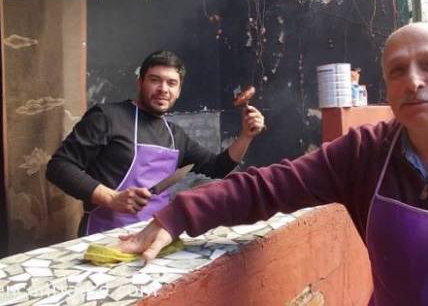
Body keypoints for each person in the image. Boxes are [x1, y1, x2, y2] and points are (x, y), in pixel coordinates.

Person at [119, 23, 428, 305]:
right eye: (398, 70)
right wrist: (179, 214)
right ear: (386, 83)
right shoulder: (365, 153)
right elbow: (273, 184)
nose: (413, 81)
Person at [46, 50, 265, 236]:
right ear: (140, 82)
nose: (163, 89)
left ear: (178, 91)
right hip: (105, 234)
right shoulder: (106, 117)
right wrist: (112, 198)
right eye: (155, 80)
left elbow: (218, 168)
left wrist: (246, 136)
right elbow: (59, 167)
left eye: (172, 83)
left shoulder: (175, 136)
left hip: (154, 233)